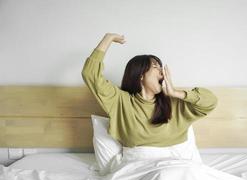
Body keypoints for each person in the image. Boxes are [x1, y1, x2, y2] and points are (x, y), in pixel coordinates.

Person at [81, 33, 218, 148]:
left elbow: (211, 101)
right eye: (155, 67)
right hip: (139, 166)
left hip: (175, 164)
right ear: (140, 75)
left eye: (161, 67)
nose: (162, 72)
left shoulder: (175, 103)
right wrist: (108, 38)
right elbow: (90, 74)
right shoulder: (120, 101)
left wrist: (176, 93)